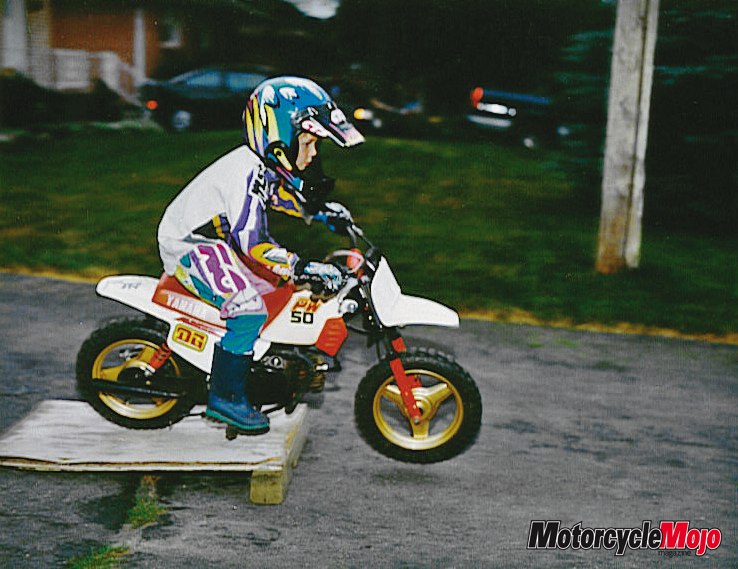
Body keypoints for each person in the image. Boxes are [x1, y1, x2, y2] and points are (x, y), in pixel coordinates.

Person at [157, 76, 365, 435]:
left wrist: (319, 213)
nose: (314, 154)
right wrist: (302, 266)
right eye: (309, 142)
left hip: (218, 243)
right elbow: (253, 244)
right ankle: (225, 398)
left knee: (279, 291)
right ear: (279, 138)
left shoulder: (257, 166)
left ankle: (259, 366)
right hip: (191, 245)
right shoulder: (243, 173)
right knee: (248, 309)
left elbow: (274, 197)